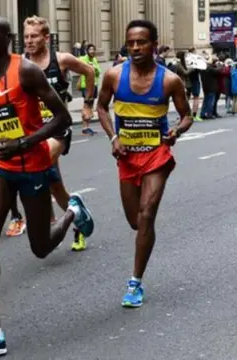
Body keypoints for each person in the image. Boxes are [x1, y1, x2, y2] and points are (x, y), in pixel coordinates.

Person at [0, 16, 94, 358]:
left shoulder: (27, 71)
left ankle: (73, 210)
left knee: (41, 247)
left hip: (33, 166)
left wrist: (25, 143)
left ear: (7, 38)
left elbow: (61, 119)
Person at [96, 20, 193, 308]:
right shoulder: (113, 76)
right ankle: (145, 239)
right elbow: (101, 106)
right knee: (135, 221)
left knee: (147, 213)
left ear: (154, 44)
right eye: (131, 42)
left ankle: (134, 283)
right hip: (127, 157)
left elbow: (186, 115)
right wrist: (113, 136)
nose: (135, 47)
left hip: (156, 155)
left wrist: (176, 131)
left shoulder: (169, 80)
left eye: (141, 42)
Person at [21, 15, 96, 251]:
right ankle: (76, 215)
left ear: (46, 38)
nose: (29, 41)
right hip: (34, 131)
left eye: (34, 36)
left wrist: (88, 104)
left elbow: (90, 72)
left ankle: (49, 216)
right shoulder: (21, 63)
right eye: (25, 37)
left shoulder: (61, 59)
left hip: (57, 129)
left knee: (38, 163)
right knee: (56, 187)